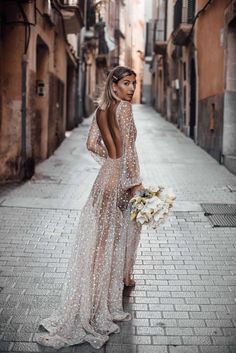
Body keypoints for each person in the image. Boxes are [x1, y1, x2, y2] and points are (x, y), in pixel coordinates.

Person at [35, 66, 143, 350]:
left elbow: (90, 144)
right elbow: (130, 152)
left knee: (99, 243)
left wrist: (110, 159)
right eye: (127, 83)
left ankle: (90, 299)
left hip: (103, 180)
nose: (131, 89)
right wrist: (136, 183)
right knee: (109, 241)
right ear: (115, 85)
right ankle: (97, 307)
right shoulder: (125, 110)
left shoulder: (101, 110)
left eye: (134, 83)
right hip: (118, 181)